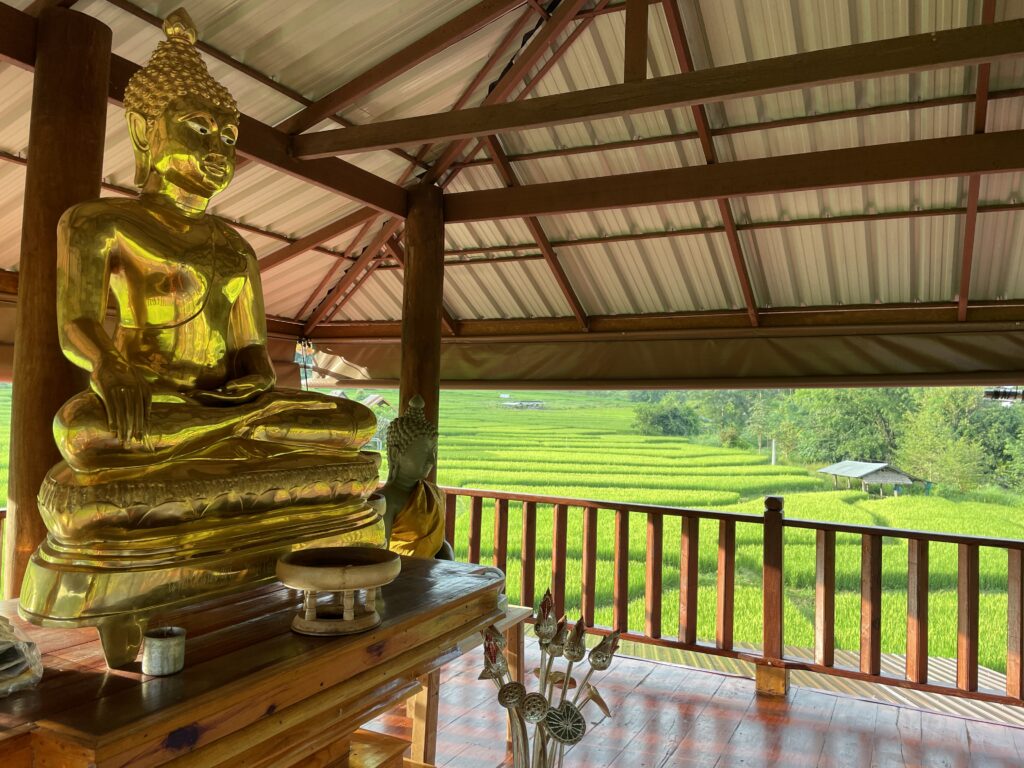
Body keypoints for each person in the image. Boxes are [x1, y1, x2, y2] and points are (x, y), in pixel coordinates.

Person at [52, 8, 375, 477]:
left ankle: (228, 434)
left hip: (222, 405)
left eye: (228, 136)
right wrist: (108, 365)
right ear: (145, 130)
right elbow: (76, 322)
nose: (218, 151)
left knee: (356, 421)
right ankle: (237, 442)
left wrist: (258, 377)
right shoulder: (99, 222)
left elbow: (251, 348)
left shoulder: (237, 246)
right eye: (200, 129)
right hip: (150, 401)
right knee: (80, 428)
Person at [380, 396, 453, 559]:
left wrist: (449, 566)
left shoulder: (434, 493)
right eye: (423, 452)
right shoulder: (386, 500)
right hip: (400, 577)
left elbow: (440, 545)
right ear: (395, 454)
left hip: (432, 575)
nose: (431, 460)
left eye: (433, 452)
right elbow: (380, 555)